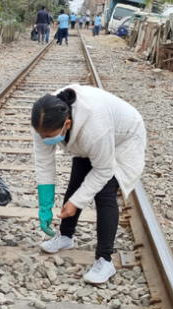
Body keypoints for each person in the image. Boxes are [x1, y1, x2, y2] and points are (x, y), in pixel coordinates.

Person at [31, 85, 146, 284]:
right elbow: (44, 162)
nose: (46, 140)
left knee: (105, 192)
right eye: (43, 136)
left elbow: (103, 171)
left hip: (124, 138)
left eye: (50, 137)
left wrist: (76, 202)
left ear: (67, 124)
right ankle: (66, 236)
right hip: (91, 138)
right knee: (77, 181)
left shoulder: (95, 128)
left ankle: (105, 260)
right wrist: (45, 204)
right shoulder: (43, 119)